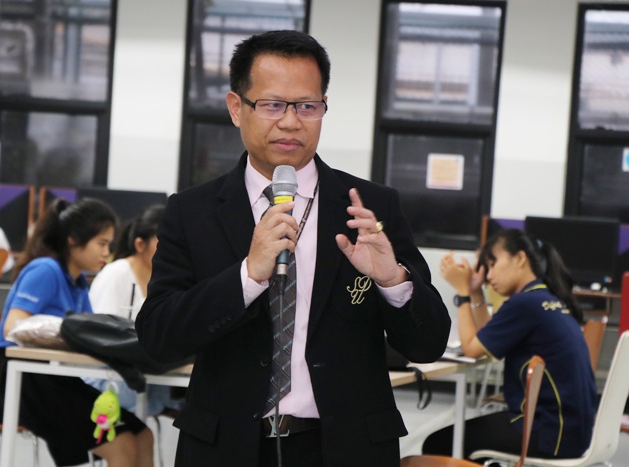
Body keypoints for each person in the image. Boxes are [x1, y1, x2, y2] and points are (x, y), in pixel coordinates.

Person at [136, 30, 451, 467]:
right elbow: (158, 338)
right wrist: (247, 275)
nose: (290, 122)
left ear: (323, 107)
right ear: (236, 108)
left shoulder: (371, 207)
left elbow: (428, 345)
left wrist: (392, 280)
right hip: (226, 448)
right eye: (271, 105)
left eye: (307, 106)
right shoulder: (192, 212)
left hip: (344, 449)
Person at [0, 198, 154, 467]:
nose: (107, 252)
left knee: (143, 436)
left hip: (55, 379)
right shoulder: (45, 270)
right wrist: (65, 335)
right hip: (22, 382)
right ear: (73, 240)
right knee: (123, 444)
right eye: (101, 243)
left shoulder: (78, 282)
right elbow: (13, 327)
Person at [422, 229, 597, 461]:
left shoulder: (524, 303)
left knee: (439, 443)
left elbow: (472, 349)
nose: (489, 275)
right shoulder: (544, 298)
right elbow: (487, 338)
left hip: (548, 433)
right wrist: (476, 294)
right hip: (572, 432)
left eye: (493, 264)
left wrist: (462, 293)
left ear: (520, 258)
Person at [87, 203, 184, 417]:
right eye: (164, 243)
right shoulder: (116, 274)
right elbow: (101, 338)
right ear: (140, 245)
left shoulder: (166, 281)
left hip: (143, 373)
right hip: (108, 377)